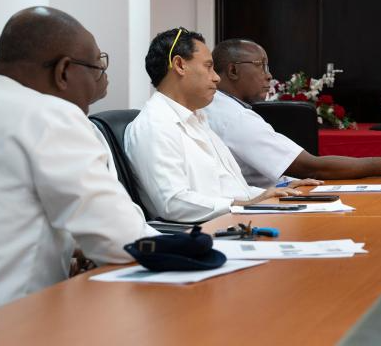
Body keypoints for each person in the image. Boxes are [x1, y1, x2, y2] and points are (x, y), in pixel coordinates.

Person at [0, 7, 155, 307]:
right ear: (63, 71)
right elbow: (123, 241)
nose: (99, 82)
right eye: (97, 69)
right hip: (19, 317)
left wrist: (73, 245)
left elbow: (9, 213)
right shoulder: (50, 117)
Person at [125, 28, 317, 223]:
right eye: (208, 67)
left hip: (233, 222)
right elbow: (173, 203)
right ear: (180, 65)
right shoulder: (155, 124)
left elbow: (232, 190)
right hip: (203, 232)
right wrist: (243, 205)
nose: (216, 77)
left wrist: (276, 192)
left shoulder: (197, 118)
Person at [205, 39, 381, 188]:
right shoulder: (234, 118)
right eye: (261, 65)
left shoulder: (217, 107)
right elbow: (311, 167)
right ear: (233, 70)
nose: (269, 75)